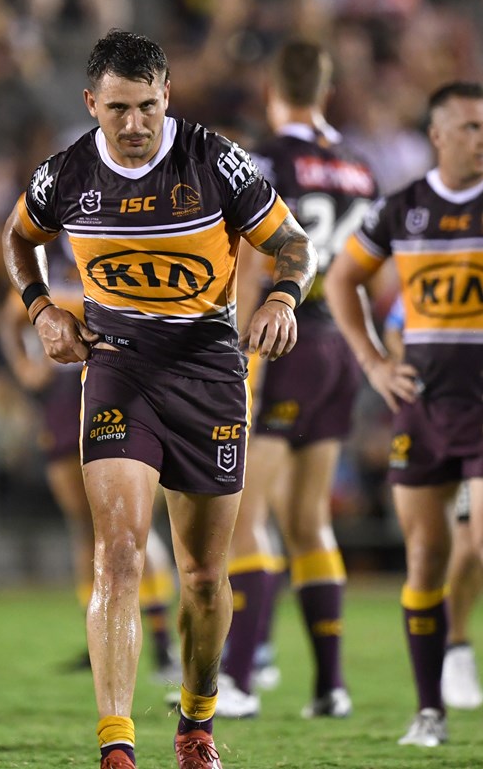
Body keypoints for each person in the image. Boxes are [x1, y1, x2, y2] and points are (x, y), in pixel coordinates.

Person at [2, 29, 317, 769]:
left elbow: (295, 243)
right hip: (118, 368)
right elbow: (16, 238)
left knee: (204, 578)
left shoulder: (214, 160)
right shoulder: (65, 174)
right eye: (118, 108)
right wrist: (41, 310)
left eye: (147, 106)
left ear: (167, 96)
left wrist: (283, 297)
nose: (135, 123)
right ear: (92, 103)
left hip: (210, 375)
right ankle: (116, 745)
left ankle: (196, 723)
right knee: (118, 554)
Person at [218, 39, 378, 720]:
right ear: (326, 89)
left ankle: (238, 679)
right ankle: (330, 686)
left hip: (281, 341)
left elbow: (254, 260)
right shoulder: (360, 168)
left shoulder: (265, 161)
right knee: (310, 522)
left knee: (242, 517)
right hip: (340, 347)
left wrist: (235, 347)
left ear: (271, 90)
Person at [325, 80, 483, 748]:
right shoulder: (404, 207)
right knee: (425, 558)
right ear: (438, 135)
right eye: (471, 126)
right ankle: (430, 711)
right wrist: (372, 363)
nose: (481, 137)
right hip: (421, 407)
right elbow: (341, 278)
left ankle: (458, 657)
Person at [0, 239, 181, 684]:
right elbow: (11, 317)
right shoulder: (50, 258)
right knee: (84, 524)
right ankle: (96, 633)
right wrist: (25, 367)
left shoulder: (125, 248)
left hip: (118, 388)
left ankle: (162, 643)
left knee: (126, 523)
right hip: (63, 396)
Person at [384, 296, 483, 711]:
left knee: (475, 545)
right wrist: (390, 364)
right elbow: (395, 323)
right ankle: (455, 648)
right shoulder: (435, 270)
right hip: (438, 412)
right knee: (446, 550)